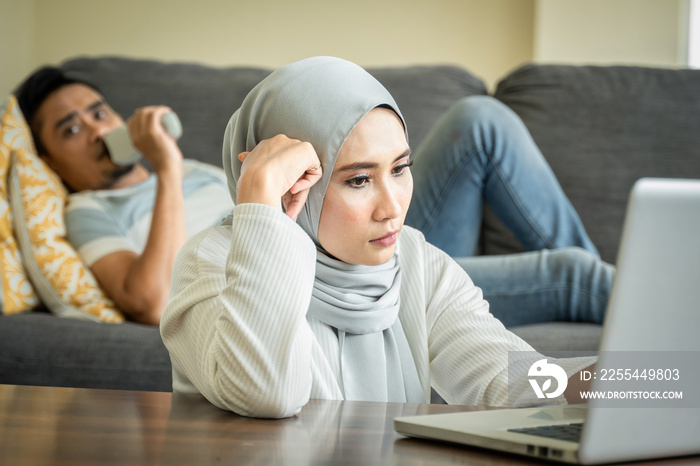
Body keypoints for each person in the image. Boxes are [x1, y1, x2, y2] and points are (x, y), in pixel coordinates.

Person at [160, 57, 597, 419]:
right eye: (358, 180)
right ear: (293, 181)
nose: (393, 207)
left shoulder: (416, 260)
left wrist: (643, 382)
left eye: (400, 169)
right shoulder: (209, 262)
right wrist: (257, 200)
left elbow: (506, 378)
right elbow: (264, 393)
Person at [14, 67, 234, 325]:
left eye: (99, 114)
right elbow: (156, 304)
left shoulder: (194, 170)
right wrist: (167, 169)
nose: (99, 132)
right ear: (50, 164)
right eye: (72, 130)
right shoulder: (87, 210)